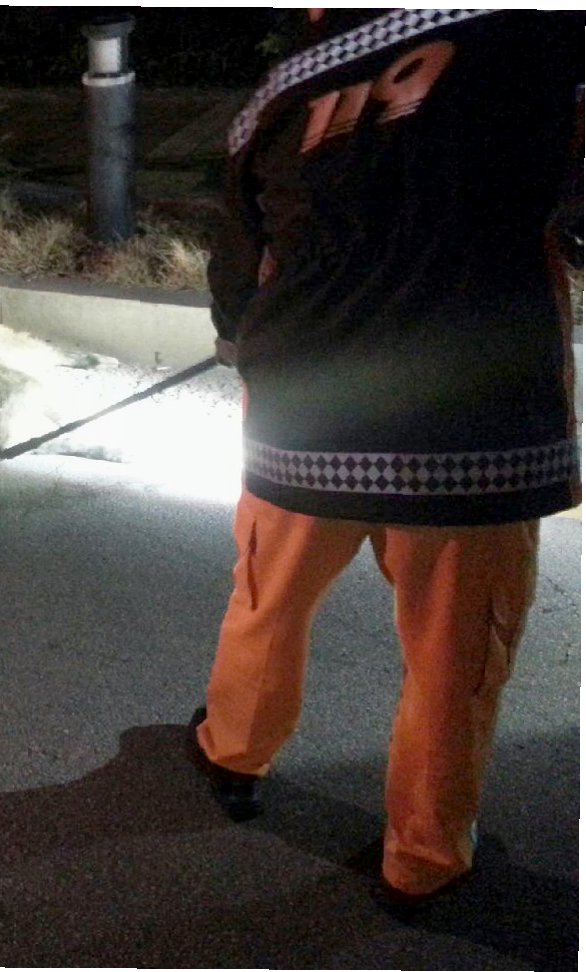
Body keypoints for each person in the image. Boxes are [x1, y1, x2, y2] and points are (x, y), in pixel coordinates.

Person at [189, 8, 582, 915]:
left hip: (305, 412)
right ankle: (424, 858)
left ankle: (232, 753)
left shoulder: (280, 93)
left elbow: (238, 257)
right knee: (455, 660)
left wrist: (240, 339)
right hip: (468, 428)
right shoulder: (542, 38)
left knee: (267, 601)